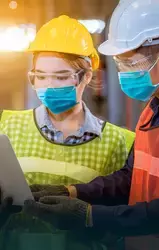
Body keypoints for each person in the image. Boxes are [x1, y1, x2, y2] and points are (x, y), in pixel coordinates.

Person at [23, 1, 159, 250]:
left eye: (129, 64)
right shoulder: (153, 110)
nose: (122, 74)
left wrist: (89, 216)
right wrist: (73, 192)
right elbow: (131, 177)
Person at [0, 15, 134, 250]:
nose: (48, 85)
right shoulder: (6, 126)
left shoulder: (120, 142)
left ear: (87, 76)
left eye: (60, 77)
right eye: (40, 76)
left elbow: (122, 223)